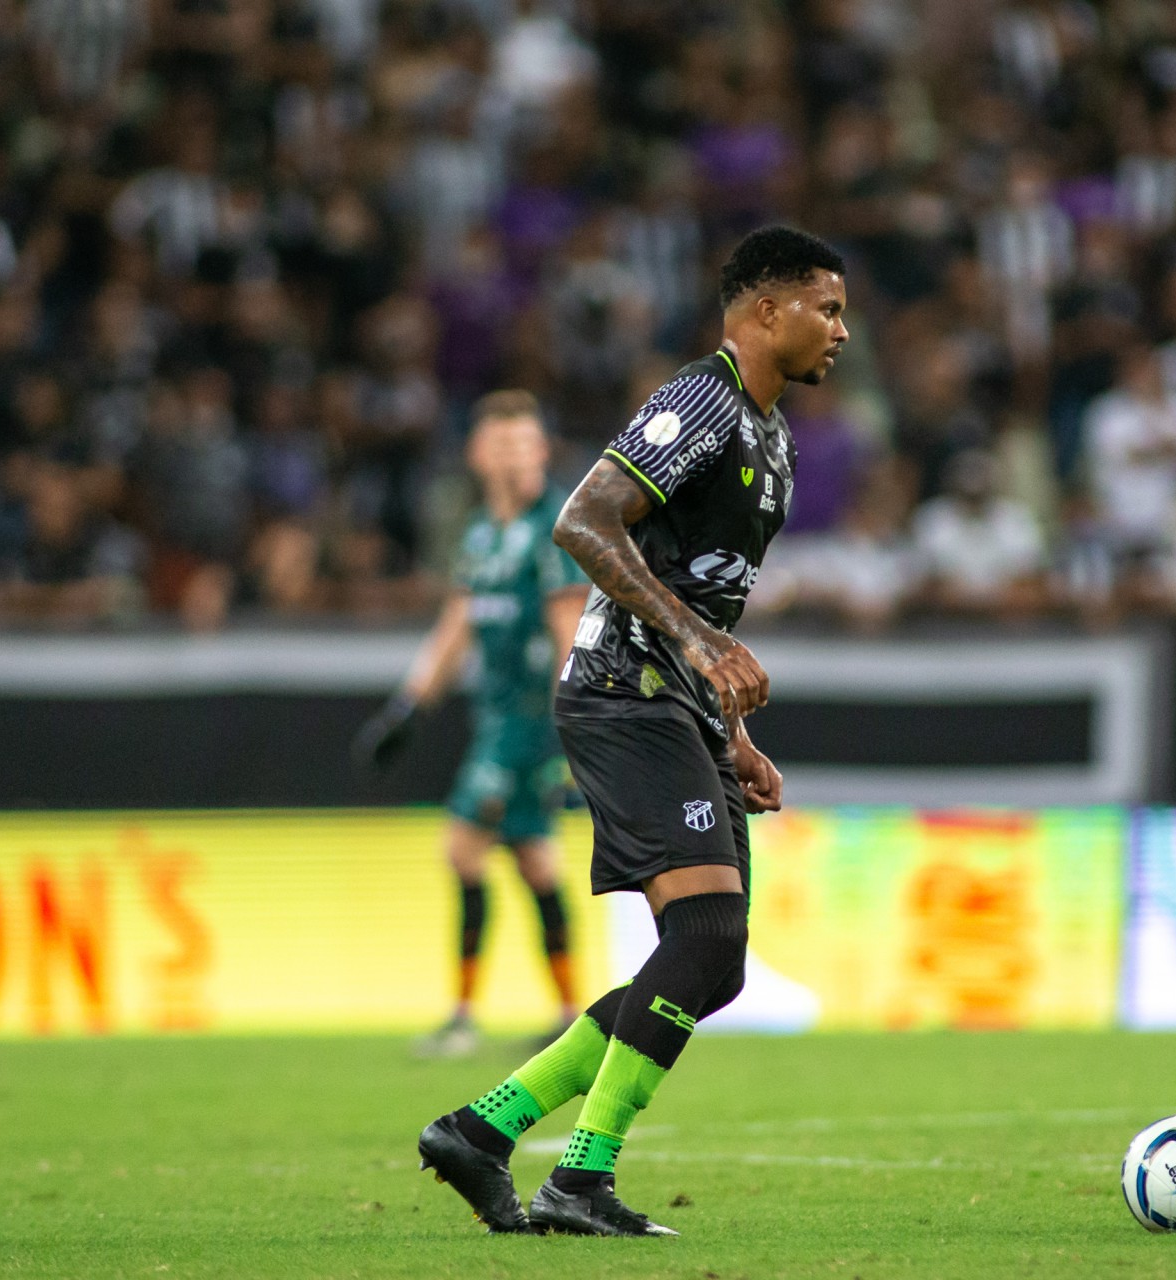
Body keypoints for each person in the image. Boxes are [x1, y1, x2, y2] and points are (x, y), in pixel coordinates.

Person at [416, 225, 847, 1238]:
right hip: (622, 686)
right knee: (701, 938)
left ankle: (482, 1130)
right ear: (762, 310)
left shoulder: (773, 437)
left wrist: (728, 734)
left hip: (672, 700)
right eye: (824, 308)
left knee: (716, 957)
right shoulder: (701, 399)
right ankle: (579, 1178)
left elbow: (701, 588)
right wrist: (700, 647)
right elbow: (583, 520)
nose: (839, 330)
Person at [353, 391, 590, 1056]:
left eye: (527, 442)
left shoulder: (555, 528)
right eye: (503, 444)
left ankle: (463, 1017)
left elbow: (569, 633)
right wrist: (405, 708)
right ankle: (572, 1014)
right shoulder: (482, 535)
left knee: (463, 849)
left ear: (543, 450)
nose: (516, 456)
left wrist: (576, 730)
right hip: (494, 717)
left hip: (528, 724)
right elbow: (455, 628)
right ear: (478, 454)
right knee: (534, 860)